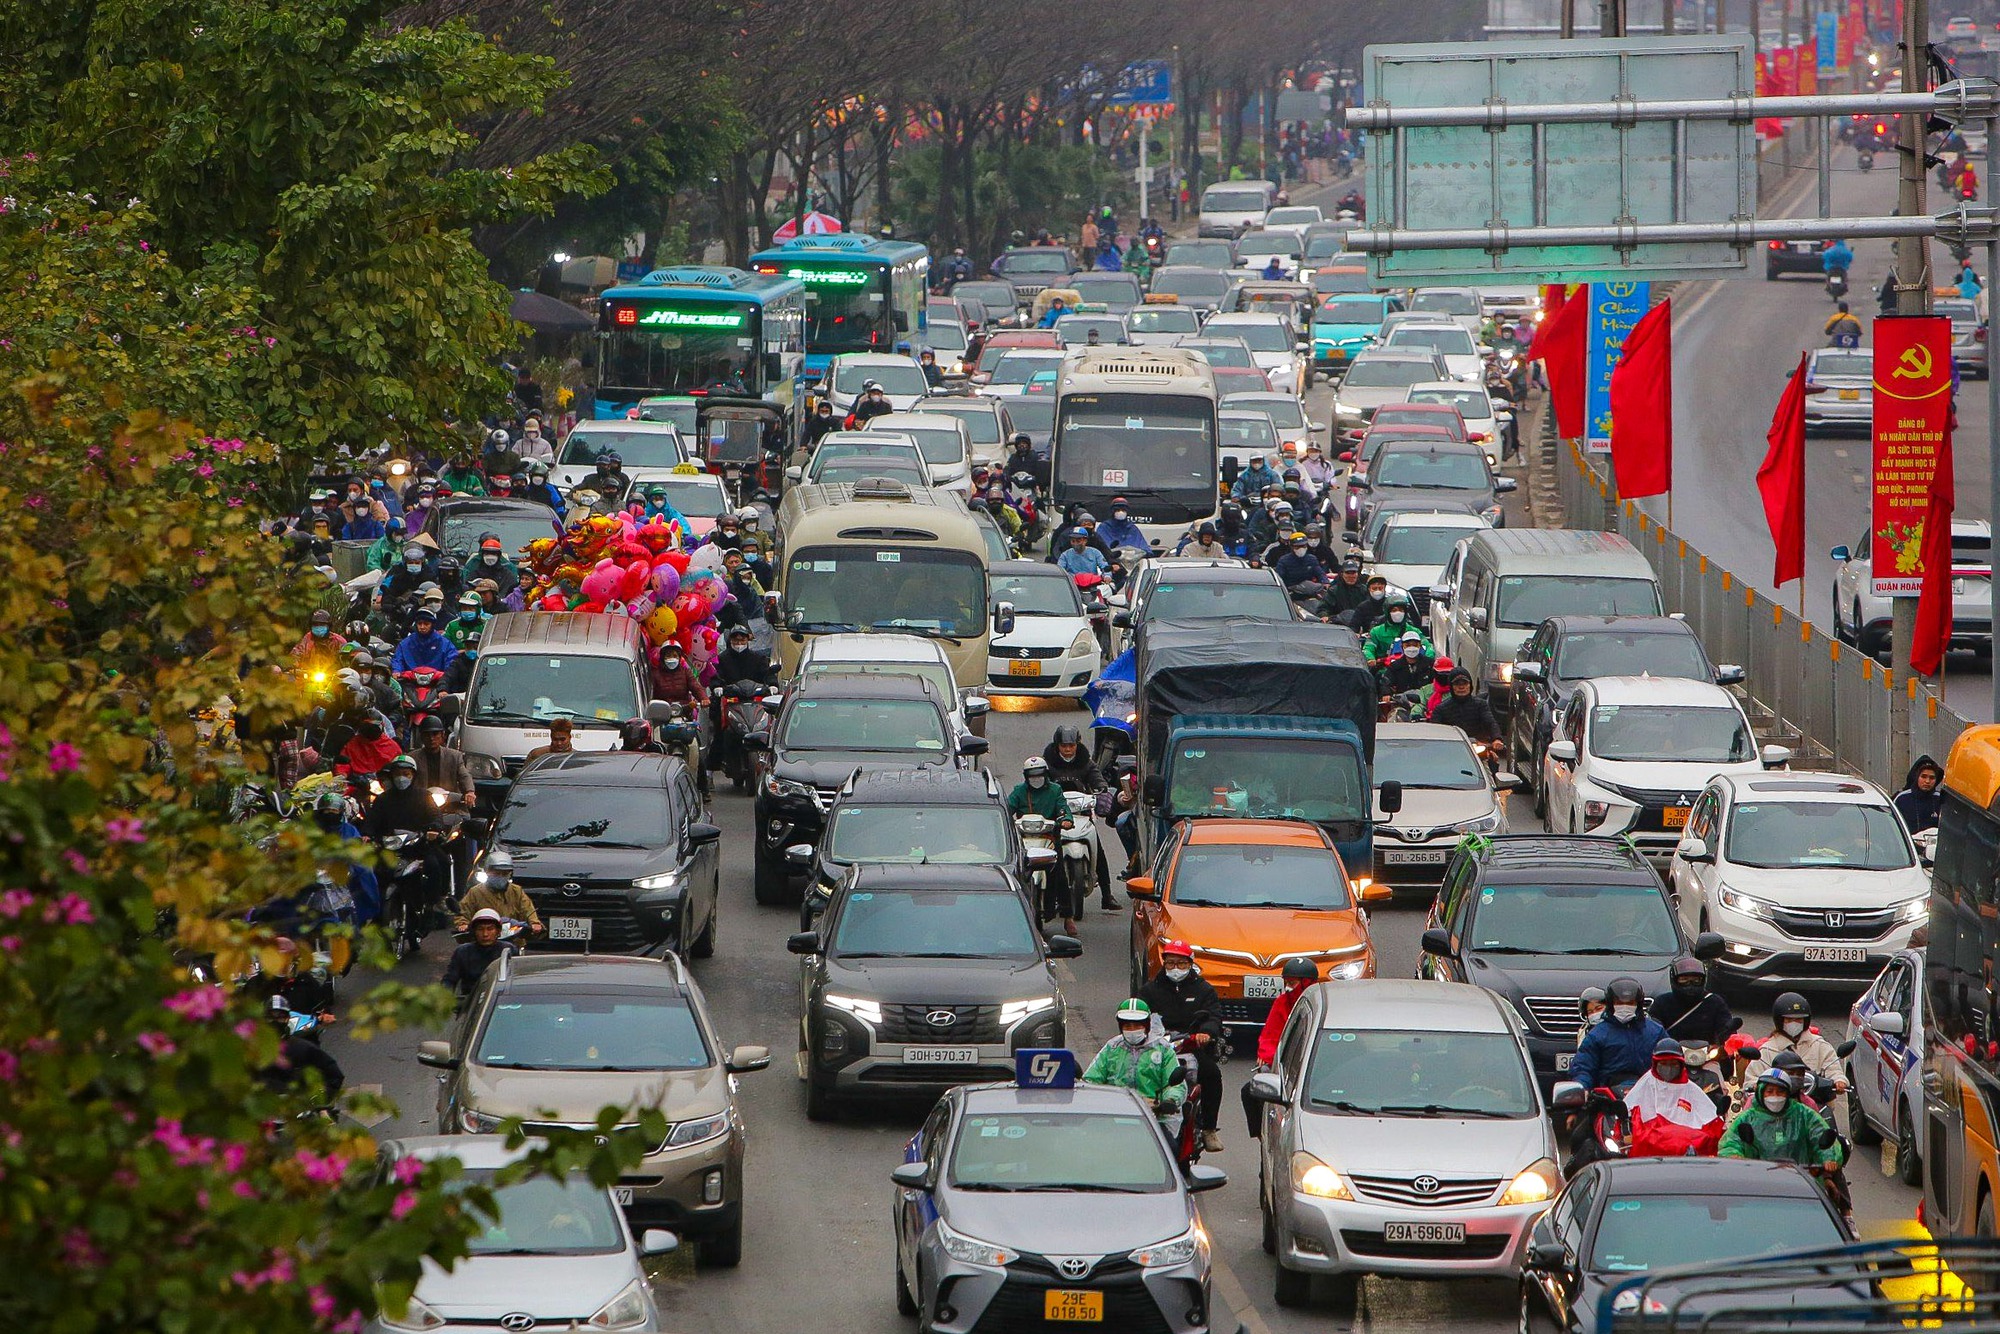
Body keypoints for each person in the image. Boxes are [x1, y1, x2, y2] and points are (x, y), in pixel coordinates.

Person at [1138, 942, 1226, 1152]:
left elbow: (1214, 1016)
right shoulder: (1151, 990)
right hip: (1156, 1046)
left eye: (1180, 963)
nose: (1175, 968)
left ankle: (1209, 1130)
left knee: (1212, 1074)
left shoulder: (1203, 990)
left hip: (1190, 1046)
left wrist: (1206, 1033)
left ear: (1190, 963)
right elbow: (1138, 1013)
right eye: (1170, 963)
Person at [1719, 1069, 1843, 1179]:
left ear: (1788, 1093)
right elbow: (1730, 1143)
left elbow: (1821, 1135)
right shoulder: (1747, 1118)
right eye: (1770, 1091)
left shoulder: (1804, 1114)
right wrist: (1734, 1156)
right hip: (1756, 1180)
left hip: (1801, 1180)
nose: (1775, 1096)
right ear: (1761, 1092)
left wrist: (1829, 1158)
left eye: (1780, 1092)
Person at [1082, 999, 1187, 1122]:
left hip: (1155, 1119)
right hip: (1114, 1116)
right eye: (1128, 1026)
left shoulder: (1163, 1049)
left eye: (1137, 1025)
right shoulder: (1112, 1047)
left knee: (1167, 1142)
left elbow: (1175, 1085)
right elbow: (1092, 1079)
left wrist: (1170, 1100)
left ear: (1147, 1026)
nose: (1132, 1030)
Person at [1007, 757, 1077, 934]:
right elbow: (1007, 808)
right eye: (1032, 776)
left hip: (1049, 839)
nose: (1036, 779)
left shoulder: (1055, 790)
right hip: (1025, 840)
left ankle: (1068, 916)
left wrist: (1066, 820)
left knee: (1060, 876)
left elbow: (1063, 809)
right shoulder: (1019, 792)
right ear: (1026, 777)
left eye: (1039, 775)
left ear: (1046, 774)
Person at [1624, 1038, 1723, 1157]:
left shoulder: (1690, 1088)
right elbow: (1628, 1111)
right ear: (1656, 1064)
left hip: (1686, 1151)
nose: (1668, 1069)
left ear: (1680, 1065)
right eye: (1663, 1064)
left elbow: (1711, 1121)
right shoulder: (1647, 1083)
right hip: (1653, 1149)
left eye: (1673, 1064)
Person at [1570, 977, 1670, 1092]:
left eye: (1630, 1003)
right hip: (1607, 1099)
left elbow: (1670, 1064)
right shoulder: (1597, 1035)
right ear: (1611, 1004)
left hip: (1651, 1096)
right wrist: (1582, 1089)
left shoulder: (1656, 1032)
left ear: (1638, 1004)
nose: (1624, 1007)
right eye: (1619, 1003)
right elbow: (1583, 1068)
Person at [1744, 993, 1846, 1093]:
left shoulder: (1820, 1046)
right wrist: (1756, 1085)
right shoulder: (1767, 1050)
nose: (1794, 1023)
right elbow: (1751, 1079)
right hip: (1779, 1105)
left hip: (1815, 1103)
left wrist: (1839, 1081)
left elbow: (1834, 1070)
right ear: (1780, 1021)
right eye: (1789, 1019)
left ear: (1805, 1021)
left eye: (1798, 1019)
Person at [260, 994, 346, 1101]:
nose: (275, 1021)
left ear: (287, 1018)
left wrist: (321, 1099)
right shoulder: (254, 1052)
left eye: (280, 1017)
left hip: (302, 1107)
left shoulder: (303, 1048)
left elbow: (333, 1074)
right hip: (268, 1110)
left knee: (325, 1115)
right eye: (270, 1017)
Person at [1648, 955, 1736, 1048]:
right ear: (1674, 980)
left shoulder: (1714, 1002)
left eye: (1696, 980)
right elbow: (1653, 1031)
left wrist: (1725, 1036)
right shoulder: (1662, 1002)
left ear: (1703, 980)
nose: (1690, 984)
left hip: (1707, 1055)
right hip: (1671, 1055)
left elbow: (1726, 1028)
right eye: (1684, 979)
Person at [454, 850, 544, 936]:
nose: (500, 876)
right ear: (487, 871)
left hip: (513, 938)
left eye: (504, 874)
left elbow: (528, 910)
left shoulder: (517, 891)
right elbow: (463, 911)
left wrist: (535, 923)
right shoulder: (475, 892)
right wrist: (463, 924)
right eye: (496, 873)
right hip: (483, 939)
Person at [442, 908, 513, 1007]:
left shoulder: (508, 950)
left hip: (500, 1003)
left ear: (498, 931)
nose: (485, 934)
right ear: (474, 931)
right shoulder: (463, 952)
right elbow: (450, 979)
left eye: (490, 929)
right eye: (480, 929)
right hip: (470, 1003)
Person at [1256, 958, 1320, 1066]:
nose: (1288, 988)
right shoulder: (1282, 1002)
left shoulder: (1319, 1003)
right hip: (1287, 1059)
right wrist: (1267, 1055)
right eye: (1286, 983)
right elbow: (1271, 1033)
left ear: (1306, 983)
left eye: (1292, 983)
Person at [412, 715, 476, 808]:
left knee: (465, 819)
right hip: (420, 807)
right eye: (427, 734)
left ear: (443, 735)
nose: (431, 738)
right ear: (421, 736)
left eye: (435, 734)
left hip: (450, 806)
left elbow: (464, 775)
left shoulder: (455, 756)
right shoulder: (412, 758)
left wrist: (470, 792)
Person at [1429, 668, 1501, 744]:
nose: (1461, 687)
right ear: (1451, 686)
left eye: (1465, 683)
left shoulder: (1481, 705)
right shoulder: (1440, 709)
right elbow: (1434, 731)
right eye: (1457, 684)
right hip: (1450, 747)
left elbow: (1490, 723)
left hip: (1478, 746)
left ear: (1470, 685)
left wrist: (1497, 739)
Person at [390, 607, 458, 675]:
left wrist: (447, 676)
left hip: (437, 682)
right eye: (419, 623)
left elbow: (451, 662)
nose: (422, 627)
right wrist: (397, 671)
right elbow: (397, 660)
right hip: (410, 682)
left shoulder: (445, 644)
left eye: (426, 624)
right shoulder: (405, 643)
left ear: (432, 625)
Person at [1361, 596, 1425, 664]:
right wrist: (1370, 659)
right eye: (1394, 610)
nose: (1398, 613)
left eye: (1401, 610)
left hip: (1410, 668)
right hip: (1384, 668)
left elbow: (1428, 647)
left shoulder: (1414, 631)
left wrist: (1426, 660)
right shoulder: (1376, 631)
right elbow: (1368, 648)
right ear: (1387, 612)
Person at [1895, 754, 1945, 832]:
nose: (1927, 781)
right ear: (1916, 777)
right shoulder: (1902, 799)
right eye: (1923, 776)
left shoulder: (1941, 800)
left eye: (1932, 778)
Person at [1317, 559, 1373, 626]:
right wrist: (1324, 616)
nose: (1351, 576)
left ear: (1357, 573)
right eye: (1348, 573)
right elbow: (1323, 608)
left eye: (1353, 572)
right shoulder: (1333, 591)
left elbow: (1371, 609)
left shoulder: (1364, 590)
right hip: (1337, 627)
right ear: (1342, 574)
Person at [1272, 532, 1328, 597]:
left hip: (1309, 592)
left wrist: (1325, 582)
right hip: (1290, 593)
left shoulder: (1312, 559)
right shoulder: (1284, 560)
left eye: (1303, 546)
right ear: (1291, 547)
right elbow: (1279, 578)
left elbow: (1320, 573)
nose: (1301, 549)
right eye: (1297, 547)